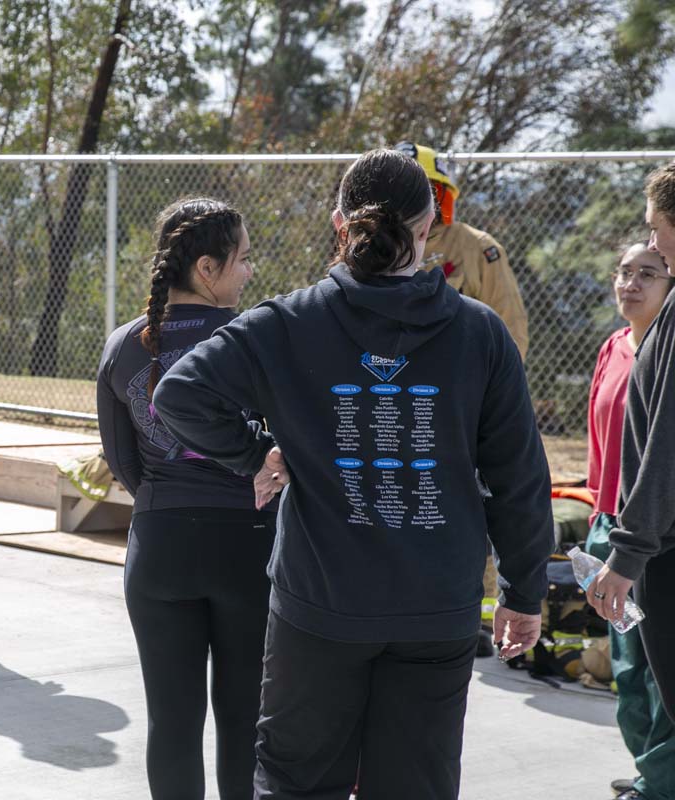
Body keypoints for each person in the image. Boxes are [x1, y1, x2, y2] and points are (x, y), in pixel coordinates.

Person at [153, 149, 554, 799]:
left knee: (295, 784)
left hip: (320, 609)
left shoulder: (286, 324)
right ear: (429, 230)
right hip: (437, 609)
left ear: (340, 225)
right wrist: (523, 591)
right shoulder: (479, 334)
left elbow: (179, 396)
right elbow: (520, 480)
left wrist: (255, 454)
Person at [96, 198, 275, 800]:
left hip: (159, 548)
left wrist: (168, 498)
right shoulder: (257, 338)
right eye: (243, 259)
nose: (249, 271)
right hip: (248, 548)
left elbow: (122, 461)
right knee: (245, 719)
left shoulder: (124, 344)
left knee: (170, 723)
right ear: (206, 267)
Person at [396, 139, 531, 657]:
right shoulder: (374, 247)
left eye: (432, 192)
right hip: (396, 403)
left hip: (461, 408)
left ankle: (472, 612)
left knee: (469, 505)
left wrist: (495, 402)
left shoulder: (477, 247)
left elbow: (509, 325)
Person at [585, 242, 675, 800]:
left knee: (659, 668)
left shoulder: (665, 349)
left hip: (648, 532)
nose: (631, 283)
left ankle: (662, 783)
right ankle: (648, 769)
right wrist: (599, 512)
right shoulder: (615, 347)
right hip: (608, 520)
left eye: (648, 273)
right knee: (626, 668)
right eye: (624, 271)